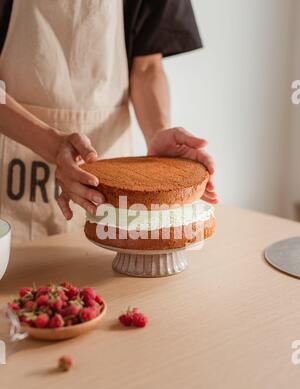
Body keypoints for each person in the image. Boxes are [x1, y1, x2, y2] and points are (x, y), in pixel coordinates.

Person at [0, 0, 218, 242]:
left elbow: (146, 66)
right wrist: (53, 144)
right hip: (9, 192)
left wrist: (158, 133)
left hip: (112, 187)